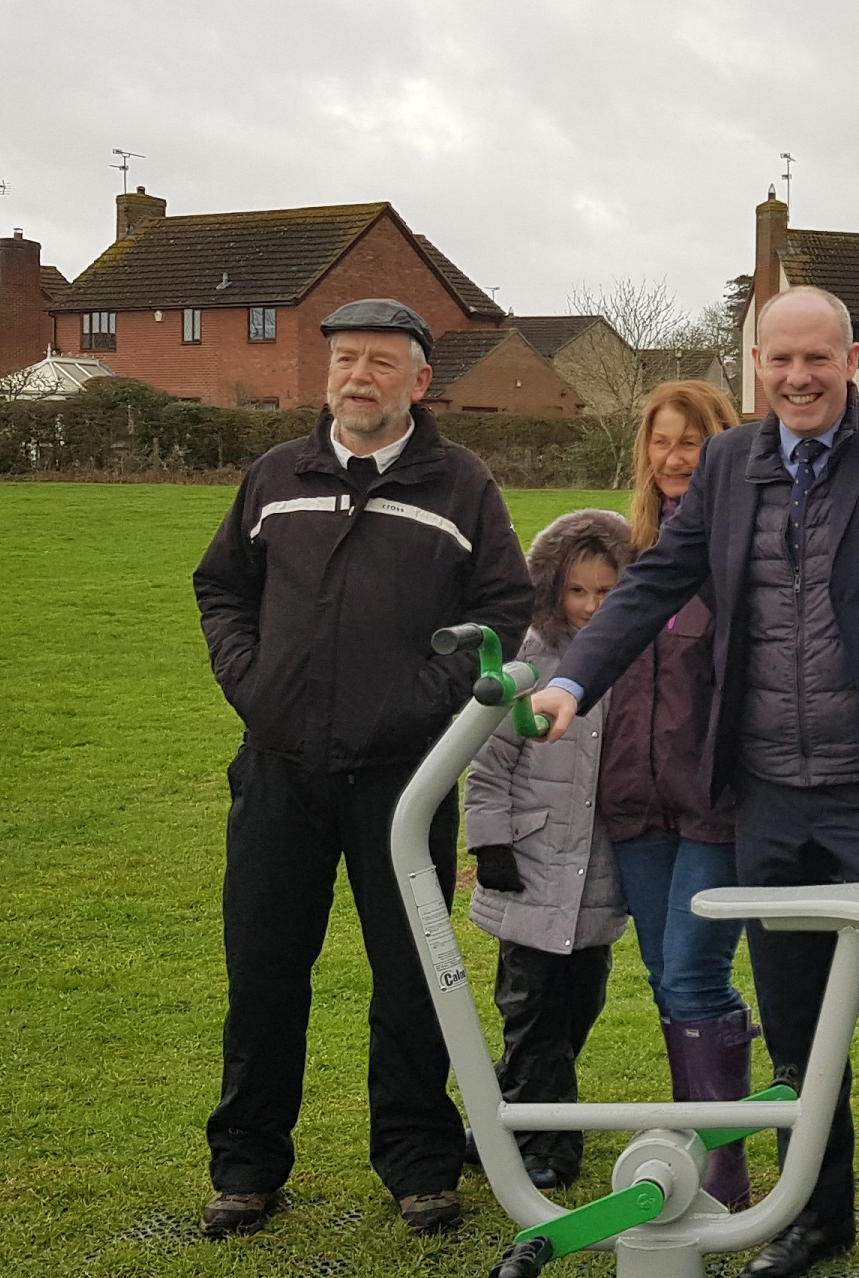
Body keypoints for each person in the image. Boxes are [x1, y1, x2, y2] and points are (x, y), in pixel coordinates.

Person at [522, 286, 859, 1278]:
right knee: (797, 1028)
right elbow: (655, 581)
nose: (800, 378)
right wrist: (570, 680)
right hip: (765, 793)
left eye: (819, 359)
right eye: (781, 361)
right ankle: (815, 1218)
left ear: (851, 359)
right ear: (756, 365)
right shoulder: (730, 462)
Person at [190, 297, 537, 1239]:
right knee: (264, 971)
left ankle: (420, 1163)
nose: (360, 377)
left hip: (402, 783)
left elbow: (504, 610)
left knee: (415, 973)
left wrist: (420, 706)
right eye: (346, 359)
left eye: (384, 362)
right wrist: (250, 680)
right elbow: (221, 587)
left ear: (421, 381)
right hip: (278, 770)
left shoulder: (461, 486)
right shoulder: (275, 476)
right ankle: (248, 1164)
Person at [596, 379, 756, 1210]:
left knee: (694, 976)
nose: (673, 458)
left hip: (713, 806)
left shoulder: (741, 562)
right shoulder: (623, 558)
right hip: (633, 800)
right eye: (660, 441)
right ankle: (699, 1145)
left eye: (690, 442)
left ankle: (725, 1174)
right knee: (665, 977)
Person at [463, 509, 631, 1191]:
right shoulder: (526, 662)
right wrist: (491, 841)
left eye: (606, 593)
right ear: (552, 589)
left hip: (599, 870)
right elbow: (489, 761)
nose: (590, 607)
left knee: (577, 1007)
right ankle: (552, 1148)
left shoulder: (632, 662)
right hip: (529, 873)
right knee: (531, 1014)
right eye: (577, 592)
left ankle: (500, 1120)